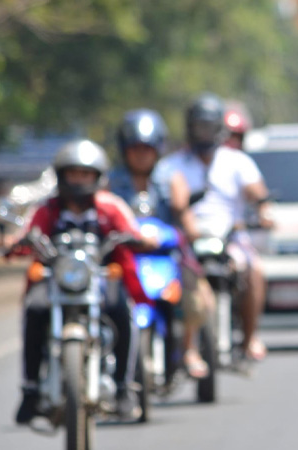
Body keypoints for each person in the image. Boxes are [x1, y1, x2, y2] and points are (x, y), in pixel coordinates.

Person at [9, 139, 159, 424]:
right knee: (34, 309)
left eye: (86, 174)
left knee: (122, 310)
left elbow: (133, 231)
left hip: (99, 280)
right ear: (61, 176)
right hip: (56, 280)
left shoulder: (110, 207)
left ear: (98, 177)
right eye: (73, 173)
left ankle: (124, 387)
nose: (79, 180)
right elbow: (26, 235)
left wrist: (141, 239)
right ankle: (29, 390)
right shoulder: (47, 209)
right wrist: (12, 242)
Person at [155, 93, 273, 366]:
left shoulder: (236, 161)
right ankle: (183, 348)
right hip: (187, 240)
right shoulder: (173, 166)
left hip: (229, 236)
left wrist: (264, 210)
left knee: (254, 271)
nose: (203, 133)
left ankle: (249, 338)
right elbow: (169, 204)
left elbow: (257, 193)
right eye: (198, 127)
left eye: (208, 127)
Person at [109, 109, 214, 379]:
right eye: (135, 149)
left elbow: (182, 210)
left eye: (147, 149)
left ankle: (189, 348)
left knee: (197, 299)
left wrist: (190, 227)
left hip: (166, 257)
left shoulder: (170, 176)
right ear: (125, 149)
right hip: (126, 256)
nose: (141, 155)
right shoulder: (111, 181)